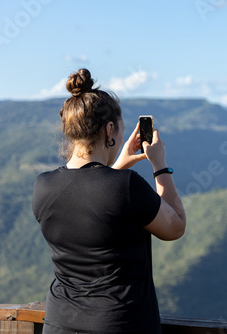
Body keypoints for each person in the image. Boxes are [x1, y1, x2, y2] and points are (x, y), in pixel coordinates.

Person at [32, 68, 186, 333]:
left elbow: (92, 197)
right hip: (120, 324)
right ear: (110, 129)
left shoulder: (43, 186)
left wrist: (118, 164)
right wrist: (159, 165)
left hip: (59, 323)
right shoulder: (126, 186)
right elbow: (176, 226)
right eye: (121, 128)